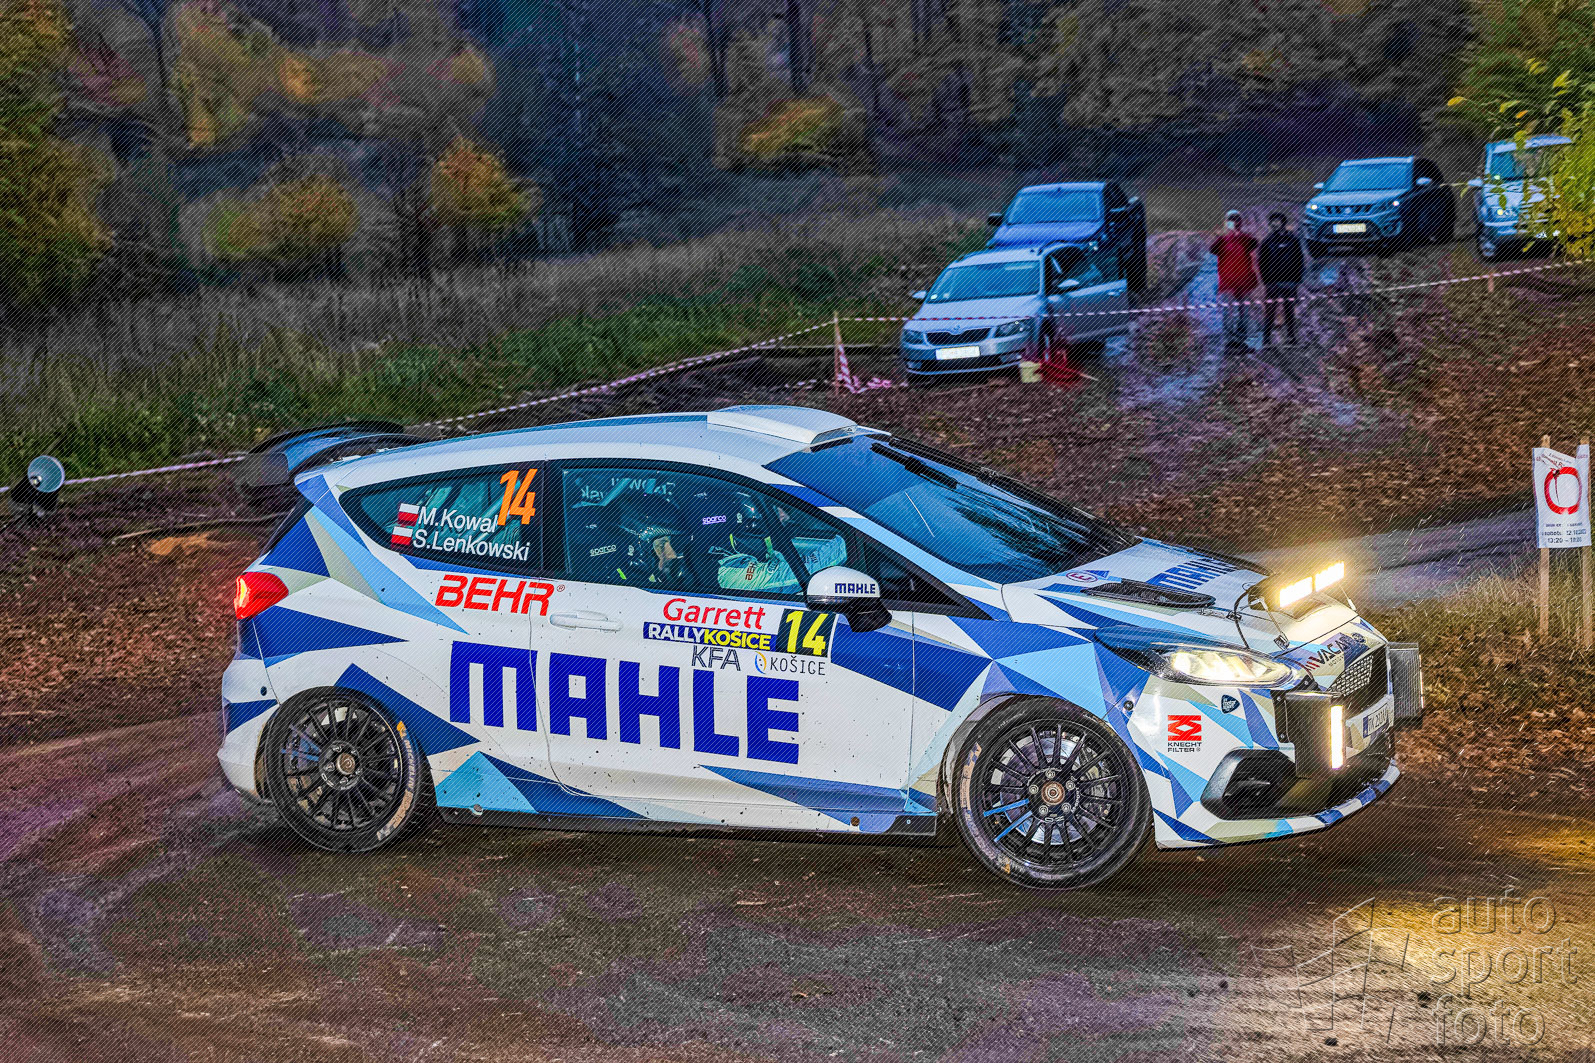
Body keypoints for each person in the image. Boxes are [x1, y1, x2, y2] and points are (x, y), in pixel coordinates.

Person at [1209, 209, 1259, 340]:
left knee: (1244, 309)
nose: (1235, 222)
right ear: (1227, 222)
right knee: (1228, 309)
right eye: (1231, 219)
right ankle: (1229, 336)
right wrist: (1226, 234)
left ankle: (1242, 334)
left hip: (1243, 280)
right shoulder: (1222, 240)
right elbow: (1212, 249)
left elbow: (1255, 242)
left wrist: (1238, 234)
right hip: (1227, 280)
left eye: (1237, 219)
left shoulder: (1245, 239)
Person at [1258, 211, 1305, 345]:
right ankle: (1266, 339)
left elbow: (1299, 260)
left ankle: (1290, 337)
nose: (1274, 223)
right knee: (1270, 310)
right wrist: (1266, 281)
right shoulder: (1267, 241)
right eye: (1272, 221)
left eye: (1277, 220)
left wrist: (1297, 280)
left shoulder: (1293, 240)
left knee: (1289, 309)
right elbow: (1261, 262)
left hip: (1290, 281)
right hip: (1272, 282)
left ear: (1283, 223)